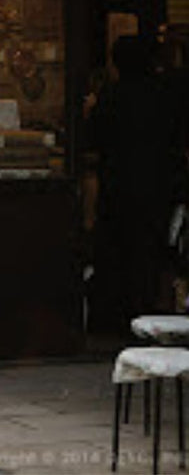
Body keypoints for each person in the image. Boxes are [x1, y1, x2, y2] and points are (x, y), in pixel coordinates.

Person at [89, 33, 187, 330]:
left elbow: (94, 136)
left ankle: (114, 315)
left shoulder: (111, 96)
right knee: (149, 251)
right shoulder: (166, 94)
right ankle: (146, 311)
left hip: (118, 185)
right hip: (158, 185)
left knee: (116, 248)